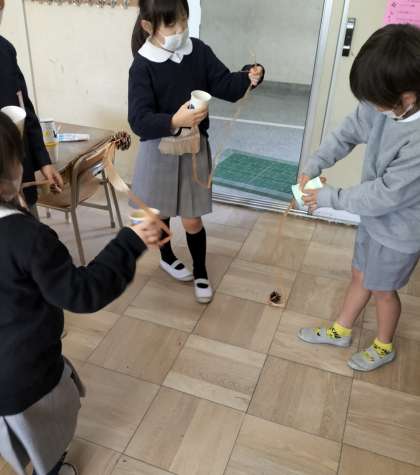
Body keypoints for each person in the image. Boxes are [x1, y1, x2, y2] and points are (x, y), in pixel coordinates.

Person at [0, 112, 161, 475]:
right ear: (11, 173)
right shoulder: (28, 240)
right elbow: (82, 293)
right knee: (47, 435)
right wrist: (131, 240)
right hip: (25, 376)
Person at [297, 24, 420, 372]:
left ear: (407, 96)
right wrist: (315, 164)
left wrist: (330, 197)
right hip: (374, 221)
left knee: (383, 290)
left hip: (400, 233)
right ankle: (341, 330)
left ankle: (384, 346)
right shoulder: (382, 105)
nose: (370, 109)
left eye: (375, 101)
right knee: (360, 274)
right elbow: (347, 132)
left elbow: (386, 194)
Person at [129, 0, 264, 304]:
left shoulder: (198, 51)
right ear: (148, 26)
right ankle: (166, 256)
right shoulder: (142, 65)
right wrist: (174, 121)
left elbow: (225, 85)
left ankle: (200, 270)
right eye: (171, 24)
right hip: (158, 150)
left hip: (193, 149)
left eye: (183, 20)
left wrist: (250, 76)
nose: (180, 29)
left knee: (192, 219)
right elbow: (138, 120)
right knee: (159, 213)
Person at [0, 0, 63, 218]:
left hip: (19, 173)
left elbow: (25, 108)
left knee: (30, 229)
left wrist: (43, 162)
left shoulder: (5, 50)